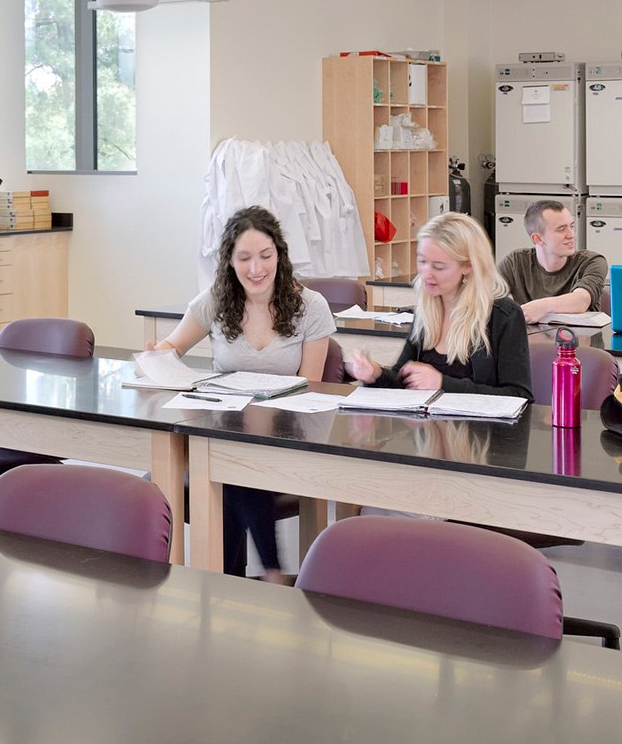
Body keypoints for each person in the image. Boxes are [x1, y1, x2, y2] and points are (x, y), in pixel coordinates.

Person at [152, 206, 335, 583]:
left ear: (279, 254)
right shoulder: (216, 300)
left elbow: (310, 388)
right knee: (228, 461)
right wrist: (158, 355)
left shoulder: (311, 306)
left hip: (286, 433)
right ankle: (268, 571)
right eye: (244, 258)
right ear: (229, 261)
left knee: (230, 468)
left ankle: (231, 579)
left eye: (265, 256)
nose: (256, 269)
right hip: (227, 431)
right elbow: (172, 347)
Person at [344, 212, 531, 399]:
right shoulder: (427, 311)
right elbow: (402, 381)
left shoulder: (504, 315)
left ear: (467, 266)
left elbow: (519, 395)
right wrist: (375, 374)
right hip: (424, 418)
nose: (426, 273)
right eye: (422, 262)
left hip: (474, 420)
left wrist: (442, 384)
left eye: (439, 266)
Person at [497, 197, 609, 323]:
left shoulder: (592, 262)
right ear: (537, 239)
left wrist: (541, 307)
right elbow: (486, 296)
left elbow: (581, 300)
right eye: (561, 229)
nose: (571, 235)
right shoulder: (515, 262)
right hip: (530, 334)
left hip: (581, 334)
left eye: (571, 226)